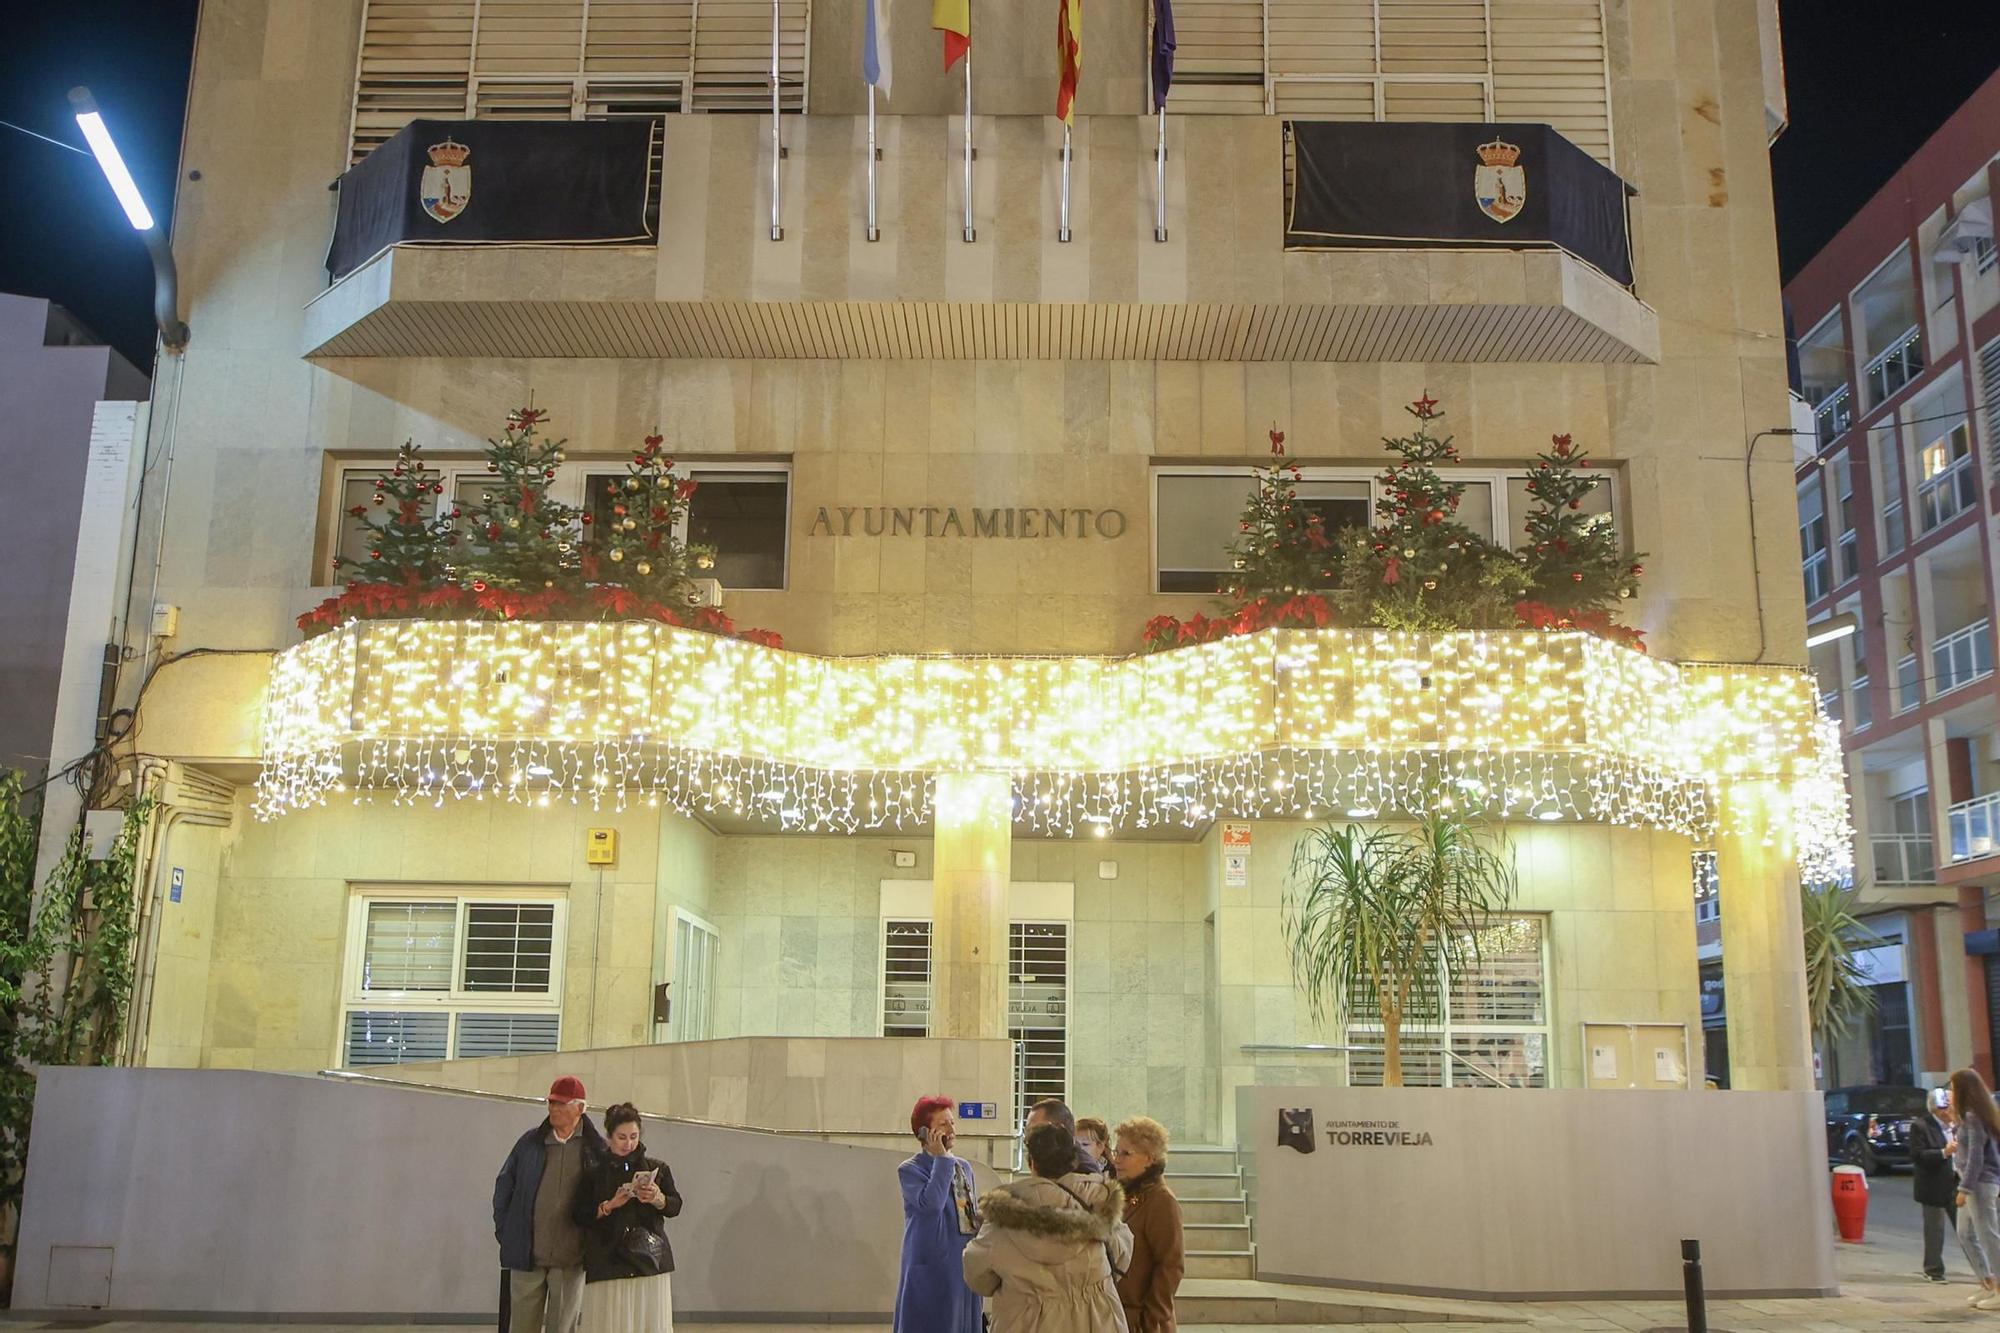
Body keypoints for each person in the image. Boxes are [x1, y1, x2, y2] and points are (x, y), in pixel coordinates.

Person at [963, 1122, 1132, 1333]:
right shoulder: (1099, 1203)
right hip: (1096, 1321)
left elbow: (977, 1277)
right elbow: (1122, 1255)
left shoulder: (1002, 1217)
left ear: (1031, 1162)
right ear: (1073, 1161)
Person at [495, 1075, 607, 1333]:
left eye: (561, 1104)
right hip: (527, 1256)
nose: (553, 1109)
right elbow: (503, 1187)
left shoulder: (595, 1150)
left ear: (580, 1108)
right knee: (521, 1328)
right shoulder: (530, 1143)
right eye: (551, 1103)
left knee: (563, 1328)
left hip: (570, 1260)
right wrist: (506, 1232)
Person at [574, 1101, 682, 1333]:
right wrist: (609, 1205)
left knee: (647, 1323)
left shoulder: (657, 1168)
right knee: (610, 1322)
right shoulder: (594, 1172)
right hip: (608, 1260)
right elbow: (579, 1214)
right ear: (609, 1136)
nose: (628, 1143)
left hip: (648, 1260)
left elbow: (675, 1206)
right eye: (622, 1137)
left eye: (633, 1136)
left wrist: (657, 1198)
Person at [896, 1096, 984, 1333]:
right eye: (944, 1124)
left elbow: (968, 1210)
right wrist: (942, 1159)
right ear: (925, 1132)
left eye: (952, 1122)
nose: (952, 1129)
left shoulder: (964, 1166)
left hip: (962, 1257)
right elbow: (930, 1204)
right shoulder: (910, 1169)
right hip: (931, 1261)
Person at [1111, 1117, 1184, 1333]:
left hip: (1143, 1322)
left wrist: (1150, 1320)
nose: (1116, 1160)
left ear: (1149, 1159)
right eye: (1116, 1152)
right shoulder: (1127, 1194)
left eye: (1126, 1154)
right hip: (1122, 1316)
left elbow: (1171, 1266)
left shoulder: (1161, 1201)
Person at [1952, 1068, 2000, 1309]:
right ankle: (1987, 1283)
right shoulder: (1972, 1116)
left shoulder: (1973, 1117)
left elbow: (1976, 1157)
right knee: (1966, 1233)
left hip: (1979, 1184)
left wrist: (1964, 1188)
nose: (1950, 1094)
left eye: (1952, 1088)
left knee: (1988, 1236)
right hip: (1975, 1183)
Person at [1913, 1087, 1959, 1283]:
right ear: (1936, 1109)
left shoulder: (1958, 1125)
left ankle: (1984, 1270)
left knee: (1967, 1230)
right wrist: (1943, 1152)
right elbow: (1918, 1156)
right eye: (1946, 1108)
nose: (1950, 1112)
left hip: (1956, 1183)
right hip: (1933, 1186)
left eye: (1952, 1107)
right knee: (1935, 1230)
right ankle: (1933, 1270)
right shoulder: (1921, 1126)